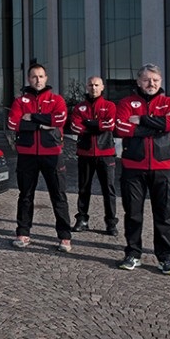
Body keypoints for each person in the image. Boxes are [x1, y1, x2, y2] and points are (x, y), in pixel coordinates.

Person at [115, 64, 170, 275]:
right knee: (133, 214)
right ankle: (133, 253)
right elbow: (121, 127)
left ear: (161, 81)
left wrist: (143, 121)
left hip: (163, 168)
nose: (151, 84)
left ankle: (165, 258)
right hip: (133, 169)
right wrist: (159, 126)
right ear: (138, 82)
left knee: (164, 214)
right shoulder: (126, 103)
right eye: (146, 80)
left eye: (155, 80)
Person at [7, 63, 72, 252]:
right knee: (26, 195)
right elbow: (13, 123)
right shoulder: (20, 101)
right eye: (34, 76)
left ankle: (65, 237)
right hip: (27, 155)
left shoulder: (56, 100)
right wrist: (43, 123)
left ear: (46, 78)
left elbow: (60, 120)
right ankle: (23, 233)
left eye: (41, 76)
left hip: (52, 154)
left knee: (58, 195)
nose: (38, 80)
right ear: (29, 79)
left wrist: (31, 118)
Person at [69, 76, 118, 236]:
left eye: (97, 85)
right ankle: (82, 219)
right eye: (90, 85)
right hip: (85, 153)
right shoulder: (79, 107)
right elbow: (75, 126)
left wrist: (88, 123)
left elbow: (110, 125)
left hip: (106, 154)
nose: (93, 87)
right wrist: (97, 125)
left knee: (108, 190)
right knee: (84, 188)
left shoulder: (109, 106)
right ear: (86, 87)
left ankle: (111, 222)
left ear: (102, 87)